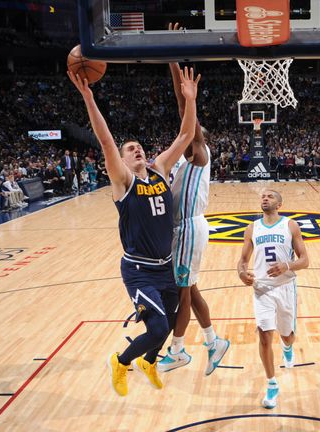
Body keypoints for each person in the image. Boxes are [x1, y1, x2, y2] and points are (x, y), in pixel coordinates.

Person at [68, 66, 200, 397]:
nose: (136, 150)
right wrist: (88, 98)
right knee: (157, 327)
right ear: (122, 162)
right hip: (139, 271)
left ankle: (149, 362)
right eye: (130, 150)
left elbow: (185, 136)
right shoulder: (123, 182)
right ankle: (122, 360)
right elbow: (105, 139)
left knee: (168, 326)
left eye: (139, 146)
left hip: (165, 266)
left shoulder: (158, 170)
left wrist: (190, 100)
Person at [158, 52, 230, 376]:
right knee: (192, 288)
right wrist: (173, 64)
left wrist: (188, 95)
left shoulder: (198, 152)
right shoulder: (187, 151)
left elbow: (184, 112)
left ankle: (177, 351)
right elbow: (181, 111)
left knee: (182, 291)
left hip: (188, 228)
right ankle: (214, 342)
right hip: (184, 229)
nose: (187, 127)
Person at [237, 189, 309, 409]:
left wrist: (286, 265)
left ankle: (287, 347)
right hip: (262, 289)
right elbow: (242, 260)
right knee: (265, 336)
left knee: (287, 336)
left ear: (279, 203)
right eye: (263, 196)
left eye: (270, 196)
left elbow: (305, 260)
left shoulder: (290, 225)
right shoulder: (252, 228)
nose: (265, 198)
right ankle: (271, 383)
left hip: (286, 286)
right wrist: (242, 273)